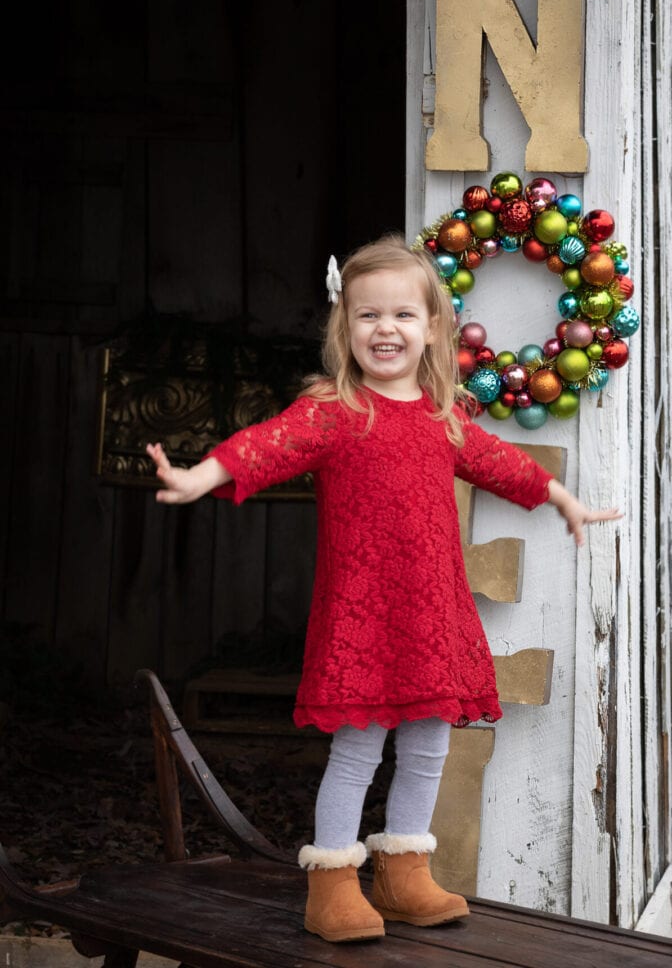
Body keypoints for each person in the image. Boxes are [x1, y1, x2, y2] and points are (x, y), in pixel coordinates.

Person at [146, 235, 621, 944]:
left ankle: (402, 875)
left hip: (432, 614)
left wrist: (563, 499)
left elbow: (502, 464)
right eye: (368, 316)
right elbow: (262, 447)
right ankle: (332, 886)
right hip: (363, 617)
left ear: (432, 326)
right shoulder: (332, 413)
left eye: (402, 315)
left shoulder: (443, 418)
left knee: (430, 746)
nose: (386, 329)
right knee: (358, 751)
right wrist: (200, 476)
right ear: (346, 327)